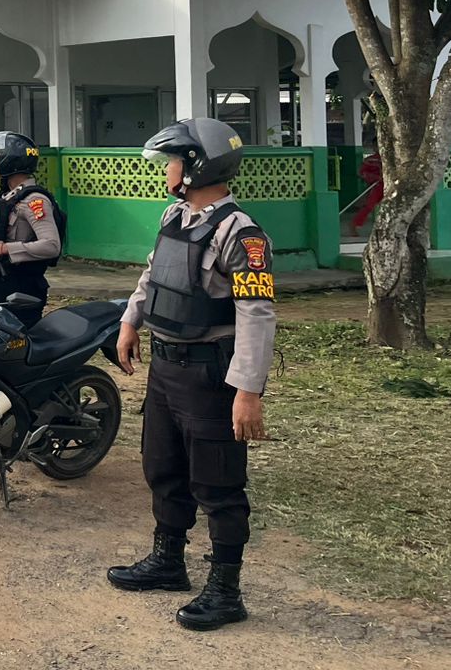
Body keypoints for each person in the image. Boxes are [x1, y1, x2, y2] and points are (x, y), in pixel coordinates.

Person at [108, 116, 277, 632]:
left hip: (210, 375)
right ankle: (168, 562)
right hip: (166, 368)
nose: (167, 170)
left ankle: (226, 591)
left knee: (218, 484)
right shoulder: (174, 216)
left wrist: (247, 390)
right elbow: (152, 273)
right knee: (163, 467)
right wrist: (129, 321)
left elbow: (257, 312)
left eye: (174, 161)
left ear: (198, 166)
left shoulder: (241, 234)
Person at [0, 131, 61, 329]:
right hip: (2, 281)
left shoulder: (34, 201)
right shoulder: (7, 197)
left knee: (21, 341)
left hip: (24, 287)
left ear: (8, 162)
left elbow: (51, 245)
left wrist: (5, 249)